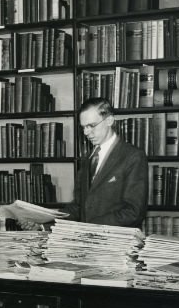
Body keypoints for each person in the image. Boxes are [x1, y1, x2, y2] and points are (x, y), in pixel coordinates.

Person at [62, 97, 148, 228]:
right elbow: (79, 206)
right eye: (83, 127)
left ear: (109, 120)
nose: (86, 132)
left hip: (115, 238)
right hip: (87, 236)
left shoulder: (133, 156)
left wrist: (89, 226)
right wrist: (47, 220)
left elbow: (133, 212)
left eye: (91, 126)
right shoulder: (88, 158)